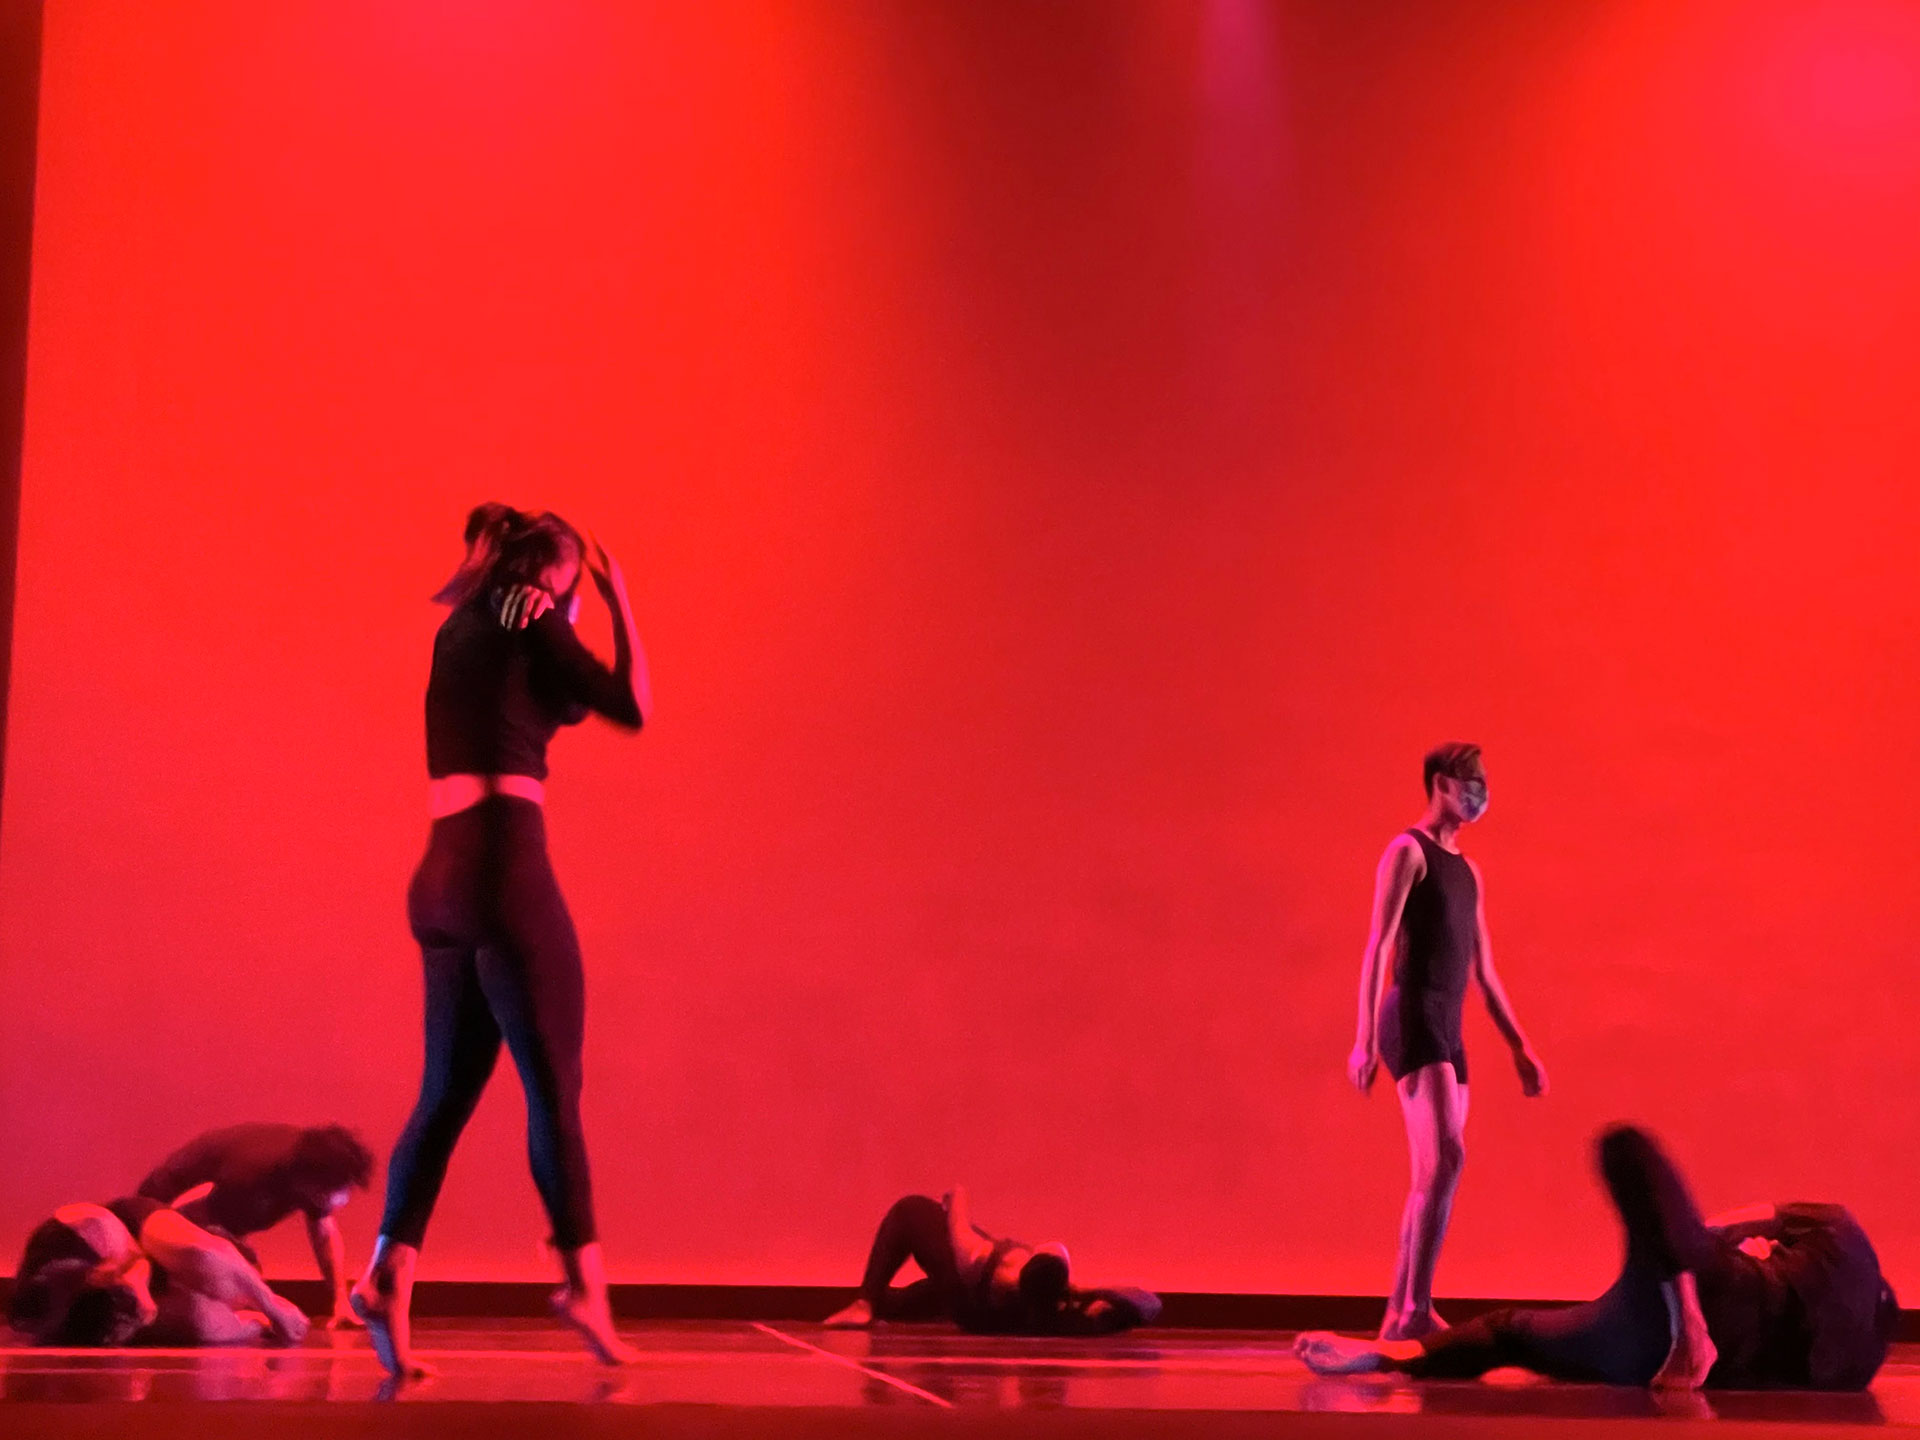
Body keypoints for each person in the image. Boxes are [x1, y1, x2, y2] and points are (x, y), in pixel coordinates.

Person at [350, 504, 653, 1381]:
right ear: (546, 573)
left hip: (440, 881)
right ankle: (582, 1284)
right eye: (566, 580)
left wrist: (563, 619)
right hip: (503, 871)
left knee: (444, 1095)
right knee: (555, 1086)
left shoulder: (465, 631)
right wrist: (618, 603)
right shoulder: (533, 613)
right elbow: (628, 704)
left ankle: (387, 1277)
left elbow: (549, 706)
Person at [1295, 1125, 1900, 1392]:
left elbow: (1723, 1224)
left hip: (1697, 1306)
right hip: (1644, 1355)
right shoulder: (1854, 1371)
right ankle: (1385, 1354)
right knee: (1514, 1334)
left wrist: (1693, 1265)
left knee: (1627, 1148)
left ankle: (1383, 1354)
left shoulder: (1841, 1232)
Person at [1347, 742, 1547, 1339]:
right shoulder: (1408, 852)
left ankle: (1400, 1312)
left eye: (1487, 786)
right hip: (1411, 1013)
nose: (1482, 796)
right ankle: (1413, 1308)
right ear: (1441, 783)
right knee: (1448, 1157)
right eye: (1472, 784)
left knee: (1433, 1172)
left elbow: (1485, 970)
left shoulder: (1468, 870)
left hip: (1448, 1022)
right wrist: (1363, 1040)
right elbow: (1378, 945)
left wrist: (1519, 1046)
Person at [823, 1186, 1161, 1336]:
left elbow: (957, 1220)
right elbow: (1150, 1304)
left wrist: (956, 1195)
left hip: (965, 1289)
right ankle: (883, 1305)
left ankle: (864, 1302)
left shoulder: (980, 1258)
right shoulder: (1063, 1316)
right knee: (919, 1295)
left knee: (910, 1209)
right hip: (979, 1317)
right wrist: (1088, 1292)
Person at [136, 1123, 375, 1330]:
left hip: (207, 1224)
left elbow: (324, 1234)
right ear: (310, 1182)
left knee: (245, 1282)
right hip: (162, 1212)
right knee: (237, 1288)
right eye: (336, 1188)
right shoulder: (250, 1175)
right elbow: (179, 1219)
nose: (343, 1197)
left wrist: (341, 1301)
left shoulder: (310, 1175)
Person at [7, 1196, 310, 1347]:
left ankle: (268, 1305)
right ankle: (258, 1318)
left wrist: (272, 1304)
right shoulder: (37, 1312)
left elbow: (141, 1261)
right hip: (111, 1292)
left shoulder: (87, 1228)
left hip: (133, 1231)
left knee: (200, 1255)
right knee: (205, 1324)